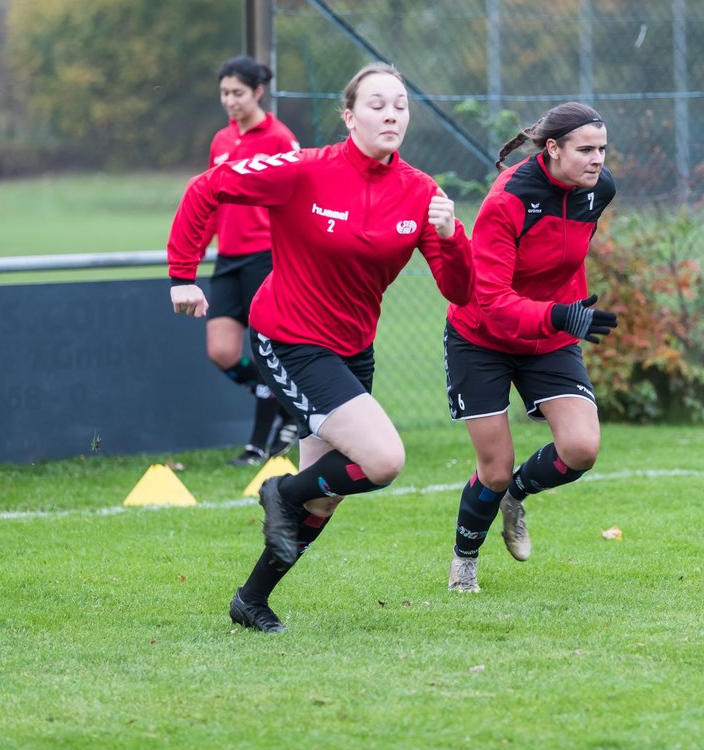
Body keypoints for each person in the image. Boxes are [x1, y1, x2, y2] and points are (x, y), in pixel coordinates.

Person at [167, 62, 474, 632]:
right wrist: (183, 273)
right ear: (349, 115)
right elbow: (206, 188)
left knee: (325, 495)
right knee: (381, 460)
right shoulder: (303, 169)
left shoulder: (421, 192)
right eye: (377, 104)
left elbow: (458, 290)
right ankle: (278, 490)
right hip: (287, 338)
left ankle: (251, 600)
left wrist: (453, 237)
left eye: (401, 105)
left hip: (352, 351)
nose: (390, 114)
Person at [443, 102, 618, 592]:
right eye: (585, 149)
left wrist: (562, 313)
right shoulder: (508, 201)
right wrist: (560, 313)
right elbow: (492, 301)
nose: (597, 160)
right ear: (553, 148)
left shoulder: (597, 191)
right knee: (493, 469)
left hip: (550, 336)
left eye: (602, 149)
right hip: (481, 338)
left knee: (581, 449)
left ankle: (515, 496)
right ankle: (465, 560)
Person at [197, 56, 301, 467]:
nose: (229, 101)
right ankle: (290, 408)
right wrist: (188, 257)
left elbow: (296, 195)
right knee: (221, 351)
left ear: (258, 92)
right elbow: (207, 201)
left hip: (266, 257)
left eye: (237, 93)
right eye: (224, 93)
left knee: (263, 352)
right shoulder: (221, 140)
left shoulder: (279, 137)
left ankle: (258, 445)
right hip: (228, 259)